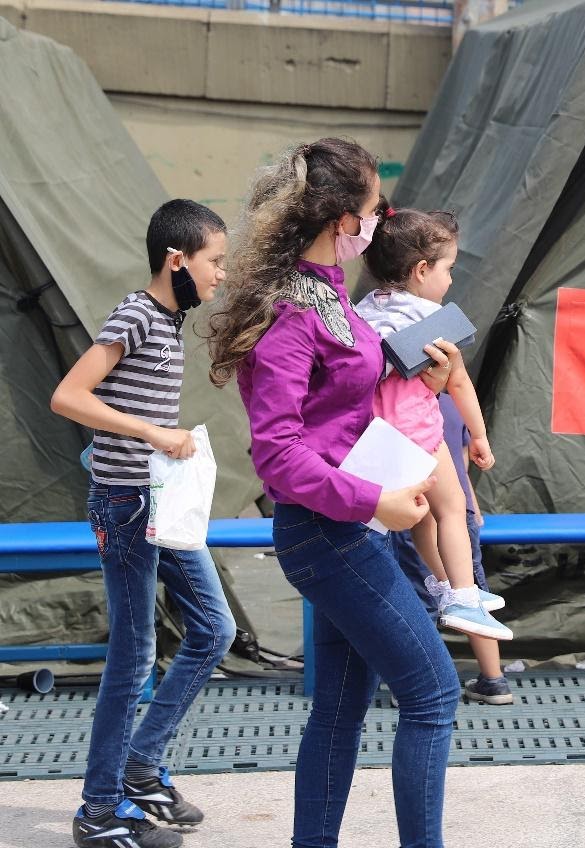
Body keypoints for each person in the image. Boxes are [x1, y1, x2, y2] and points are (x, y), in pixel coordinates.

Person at [208, 138, 460, 848]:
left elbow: (339, 409)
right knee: (434, 694)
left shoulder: (322, 294)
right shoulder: (297, 310)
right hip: (333, 531)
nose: (382, 222)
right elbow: (278, 452)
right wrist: (370, 502)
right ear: (342, 219)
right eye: (377, 210)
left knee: (341, 709)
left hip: (342, 526)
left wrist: (426, 387)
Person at [51, 199, 236, 848]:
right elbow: (70, 395)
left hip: (159, 503)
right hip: (126, 505)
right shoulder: (136, 314)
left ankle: (141, 765)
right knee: (131, 662)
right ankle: (98, 812)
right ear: (176, 260)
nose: (222, 274)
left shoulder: (171, 320)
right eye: (215, 261)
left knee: (215, 628)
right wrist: (154, 433)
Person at [357, 207, 511, 641]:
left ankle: (442, 586)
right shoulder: (433, 320)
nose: (451, 280)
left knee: (424, 519)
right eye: (449, 269)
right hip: (422, 437)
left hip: (381, 440)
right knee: (452, 513)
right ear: (422, 269)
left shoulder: (364, 311)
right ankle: (464, 594)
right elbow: (458, 383)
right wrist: (478, 437)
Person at [392, 398, 515, 705]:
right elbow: (458, 466)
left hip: (419, 515)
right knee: (471, 596)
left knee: (422, 599)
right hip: (459, 521)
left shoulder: (394, 402)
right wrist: (471, 510)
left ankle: (420, 684)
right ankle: (494, 679)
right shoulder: (452, 404)